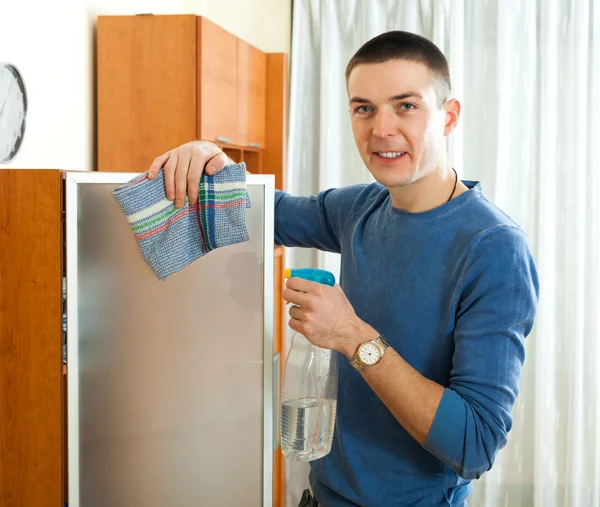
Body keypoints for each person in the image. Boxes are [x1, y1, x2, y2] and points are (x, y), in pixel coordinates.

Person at [147, 31, 539, 507]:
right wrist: (208, 156)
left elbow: (475, 445)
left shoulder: (493, 249)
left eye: (406, 106)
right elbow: (257, 211)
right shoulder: (361, 208)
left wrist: (352, 336)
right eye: (364, 108)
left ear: (449, 116)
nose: (382, 129)